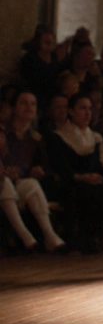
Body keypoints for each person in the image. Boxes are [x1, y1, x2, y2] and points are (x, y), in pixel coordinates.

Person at [49, 94, 103, 253]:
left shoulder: (95, 138)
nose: (87, 113)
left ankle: (99, 239)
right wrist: (82, 177)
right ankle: (80, 240)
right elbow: (60, 167)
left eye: (89, 108)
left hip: (93, 182)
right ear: (71, 111)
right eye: (82, 108)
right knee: (84, 192)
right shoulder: (59, 136)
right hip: (70, 182)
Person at [1, 91, 67, 253]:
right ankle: (25, 236)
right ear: (14, 108)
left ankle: (49, 235)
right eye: (24, 103)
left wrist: (36, 171)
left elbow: (39, 166)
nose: (29, 107)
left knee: (31, 184)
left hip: (20, 183)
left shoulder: (35, 138)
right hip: (3, 182)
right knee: (6, 183)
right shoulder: (3, 133)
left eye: (33, 104)